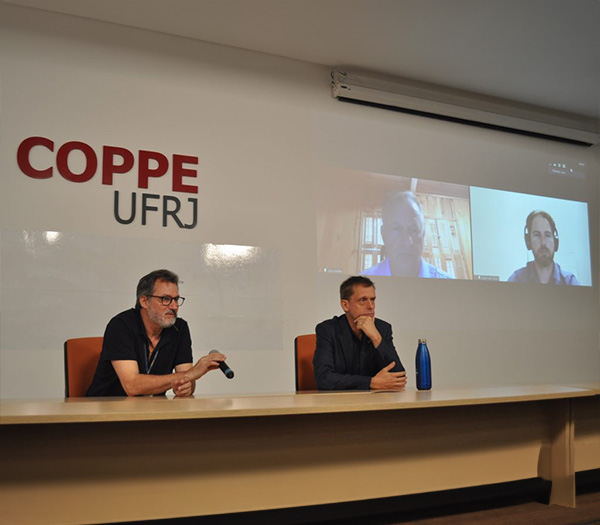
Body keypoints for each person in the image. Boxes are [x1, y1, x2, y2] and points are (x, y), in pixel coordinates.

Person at [86, 269, 227, 397]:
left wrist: (186, 387)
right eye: (165, 299)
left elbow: (187, 380)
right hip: (106, 409)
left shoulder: (179, 328)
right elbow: (132, 386)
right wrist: (191, 374)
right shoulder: (121, 325)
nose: (174, 306)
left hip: (152, 409)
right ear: (144, 301)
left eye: (176, 299)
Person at [313, 275, 406, 390]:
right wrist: (370, 382)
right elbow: (323, 379)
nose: (371, 306)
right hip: (339, 399)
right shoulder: (328, 330)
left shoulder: (382, 329)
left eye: (373, 300)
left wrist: (376, 338)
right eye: (363, 300)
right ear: (345, 305)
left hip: (375, 400)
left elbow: (399, 378)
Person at [363, 191, 453, 278]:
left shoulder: (448, 285)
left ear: (423, 233)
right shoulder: (361, 284)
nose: (407, 242)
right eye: (397, 229)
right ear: (383, 234)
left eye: (414, 230)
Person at [508, 210, 579, 285]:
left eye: (547, 235)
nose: (543, 242)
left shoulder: (570, 281)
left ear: (555, 241)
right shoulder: (516, 279)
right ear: (529, 241)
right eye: (537, 235)